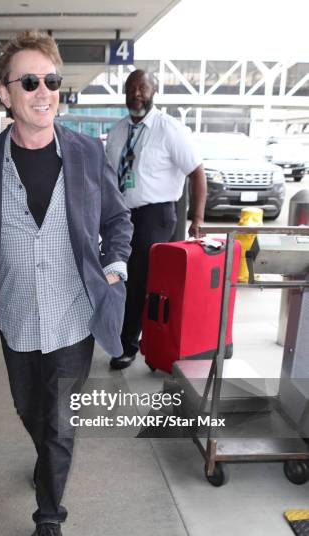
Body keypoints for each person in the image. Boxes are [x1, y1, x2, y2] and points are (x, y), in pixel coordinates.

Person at [0, 30, 132, 536]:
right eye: (29, 82)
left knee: (60, 421)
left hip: (74, 313)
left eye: (51, 81)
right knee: (31, 410)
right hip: (16, 315)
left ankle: (49, 517)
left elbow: (118, 219)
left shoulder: (88, 154)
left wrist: (115, 266)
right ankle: (46, 458)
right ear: (4, 93)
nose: (43, 92)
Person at [106, 69, 207, 370]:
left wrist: (198, 216)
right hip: (122, 216)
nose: (137, 93)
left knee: (146, 281)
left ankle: (133, 346)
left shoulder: (169, 129)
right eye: (131, 88)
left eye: (143, 87)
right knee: (121, 277)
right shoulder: (117, 131)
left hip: (157, 215)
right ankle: (147, 343)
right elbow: (108, 177)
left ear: (153, 91)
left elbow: (197, 172)